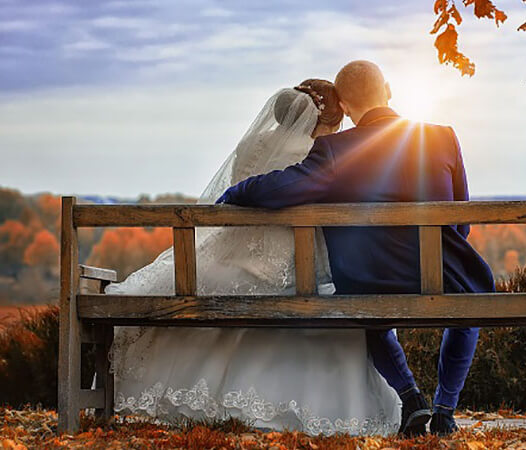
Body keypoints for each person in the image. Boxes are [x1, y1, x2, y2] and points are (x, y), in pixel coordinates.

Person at [107, 79, 400, 436]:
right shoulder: (318, 150)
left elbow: (246, 192)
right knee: (334, 300)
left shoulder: (250, 145)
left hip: (232, 251)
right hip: (292, 260)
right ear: (325, 117)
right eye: (337, 121)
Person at [217, 61, 495, 436]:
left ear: (345, 106)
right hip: (446, 274)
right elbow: (461, 219)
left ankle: (411, 396)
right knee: (466, 305)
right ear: (389, 90)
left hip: (373, 278)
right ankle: (445, 410)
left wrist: (236, 191)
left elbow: (281, 189)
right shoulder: (443, 137)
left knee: (363, 307)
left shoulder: (335, 149)